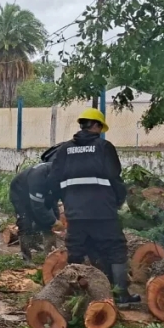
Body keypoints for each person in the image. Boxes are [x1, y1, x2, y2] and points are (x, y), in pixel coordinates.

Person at [48, 107, 139, 303]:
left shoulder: (64, 150)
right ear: (96, 125)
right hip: (103, 211)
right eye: (101, 127)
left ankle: (76, 297)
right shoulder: (104, 147)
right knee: (116, 248)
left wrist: (67, 203)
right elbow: (115, 178)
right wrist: (118, 202)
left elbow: (54, 180)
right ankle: (121, 295)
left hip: (75, 212)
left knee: (76, 250)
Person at [9, 162, 60, 262]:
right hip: (20, 192)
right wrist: (54, 221)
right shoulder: (38, 178)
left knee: (49, 224)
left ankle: (50, 256)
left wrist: (56, 220)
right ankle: (26, 259)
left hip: (38, 192)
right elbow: (38, 207)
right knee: (25, 222)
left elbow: (53, 202)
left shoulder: (58, 175)